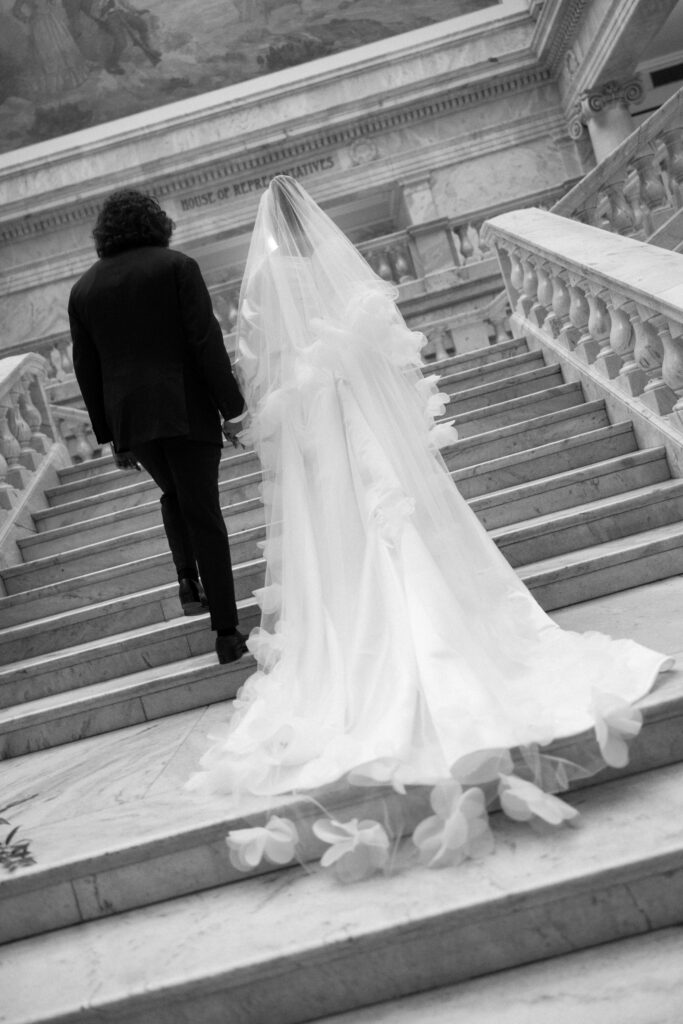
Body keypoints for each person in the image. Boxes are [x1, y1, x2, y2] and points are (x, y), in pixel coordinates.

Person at [188, 176, 672, 860]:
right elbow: (377, 341)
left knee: (348, 528)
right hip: (353, 410)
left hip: (317, 418)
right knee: (390, 509)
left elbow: (258, 363)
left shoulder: (266, 282)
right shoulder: (330, 265)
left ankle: (373, 641)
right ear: (308, 221)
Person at [69, 189, 247, 665]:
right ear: (155, 223)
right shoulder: (177, 267)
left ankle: (187, 577)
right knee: (203, 514)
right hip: (185, 407)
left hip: (133, 419)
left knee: (175, 494)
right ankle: (226, 632)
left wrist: (112, 437)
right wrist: (231, 407)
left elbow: (87, 370)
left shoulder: (83, 290)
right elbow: (205, 341)